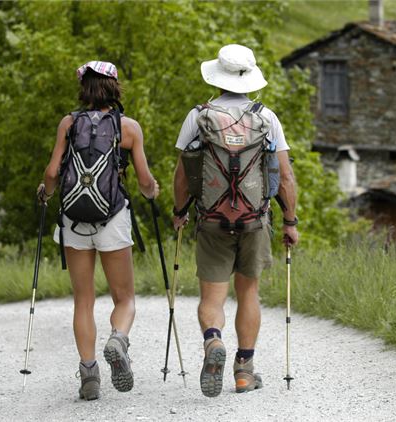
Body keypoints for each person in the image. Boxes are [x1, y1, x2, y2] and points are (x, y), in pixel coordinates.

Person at [172, 44, 299, 397]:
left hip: (212, 219)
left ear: (218, 76)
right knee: (249, 294)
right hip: (254, 220)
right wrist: (290, 221)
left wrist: (179, 212)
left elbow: (182, 175)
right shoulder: (267, 118)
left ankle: (213, 342)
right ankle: (244, 370)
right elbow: (285, 177)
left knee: (212, 298)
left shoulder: (199, 116)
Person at [37, 61, 159, 401]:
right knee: (125, 297)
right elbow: (146, 182)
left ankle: (89, 373)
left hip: (74, 221)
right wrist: (153, 192)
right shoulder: (128, 128)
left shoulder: (69, 123)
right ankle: (118, 339)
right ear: (115, 88)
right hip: (112, 218)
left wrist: (46, 194)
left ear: (84, 89)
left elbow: (51, 172)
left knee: (83, 300)